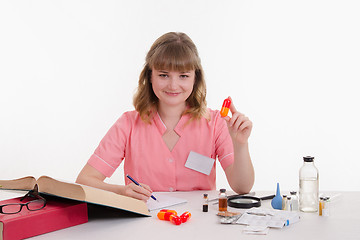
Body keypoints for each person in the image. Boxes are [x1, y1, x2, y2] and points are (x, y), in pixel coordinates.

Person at [76, 32, 254, 202]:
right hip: (144, 227)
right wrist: (122, 192)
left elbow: (242, 187)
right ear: (150, 76)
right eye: (163, 75)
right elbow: (85, 181)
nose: (173, 85)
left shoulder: (215, 123)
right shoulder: (128, 124)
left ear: (195, 78)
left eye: (183, 76)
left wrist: (240, 144)